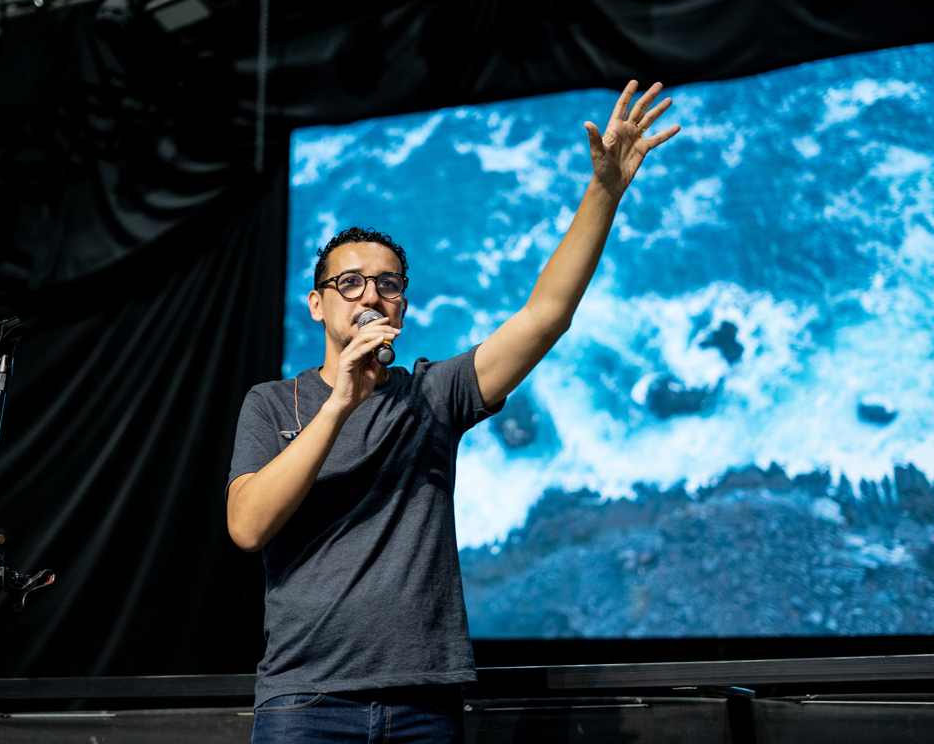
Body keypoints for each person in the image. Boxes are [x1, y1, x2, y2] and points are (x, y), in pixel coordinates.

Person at [227, 81, 680, 743]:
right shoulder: (274, 402)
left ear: (403, 308)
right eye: (348, 283)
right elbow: (247, 526)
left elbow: (544, 317)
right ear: (318, 305)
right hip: (307, 704)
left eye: (388, 284)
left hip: (423, 706)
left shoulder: (433, 395)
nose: (370, 296)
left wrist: (604, 192)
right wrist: (341, 404)